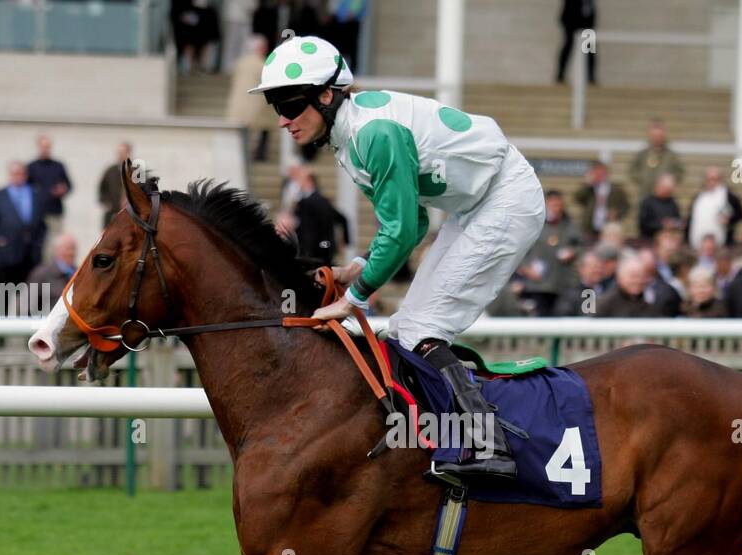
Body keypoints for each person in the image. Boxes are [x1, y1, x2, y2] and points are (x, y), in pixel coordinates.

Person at [249, 35, 546, 481]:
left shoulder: (374, 134)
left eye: (290, 106)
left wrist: (357, 296)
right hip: (476, 204)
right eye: (277, 107)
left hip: (505, 198)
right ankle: (433, 437)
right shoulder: (349, 137)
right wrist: (363, 265)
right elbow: (414, 224)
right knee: (406, 330)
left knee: (423, 327)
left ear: (327, 96)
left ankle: (491, 445)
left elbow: (406, 230)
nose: (283, 121)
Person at [0, 161, 47, 292]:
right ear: (9, 175)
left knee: (29, 300)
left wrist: (39, 242)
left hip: (30, 256)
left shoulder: (36, 194)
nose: (18, 176)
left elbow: (42, 223)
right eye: (15, 173)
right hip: (6, 256)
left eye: (21, 173)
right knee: (1, 303)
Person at [520, 189, 583, 316]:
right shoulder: (534, 225)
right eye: (553, 205)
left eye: (559, 205)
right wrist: (526, 268)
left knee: (561, 318)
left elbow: (582, 247)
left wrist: (573, 252)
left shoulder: (570, 226)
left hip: (563, 282)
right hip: (539, 284)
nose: (557, 209)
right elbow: (520, 250)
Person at [226, 35, 271, 162]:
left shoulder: (240, 62)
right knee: (261, 129)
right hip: (257, 104)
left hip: (238, 103)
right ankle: (258, 155)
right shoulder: (263, 64)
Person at [292, 168, 351, 266]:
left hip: (314, 250)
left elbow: (310, 230)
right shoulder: (321, 200)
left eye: (300, 179)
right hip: (325, 247)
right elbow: (342, 219)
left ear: (309, 181)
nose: (298, 183)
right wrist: (345, 240)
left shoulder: (310, 201)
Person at [686, 166, 742, 249]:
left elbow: (741, 214)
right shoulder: (699, 196)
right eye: (708, 179)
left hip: (721, 244)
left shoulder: (728, 196)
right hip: (698, 244)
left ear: (720, 179)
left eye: (714, 179)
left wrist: (729, 220)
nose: (711, 182)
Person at [27, 135, 72, 241]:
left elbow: (69, 185)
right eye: (43, 146)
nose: (45, 149)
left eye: (47, 147)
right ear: (38, 147)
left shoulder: (58, 166)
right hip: (37, 213)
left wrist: (63, 189)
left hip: (54, 212)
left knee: (56, 241)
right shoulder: (31, 167)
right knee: (37, 242)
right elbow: (26, 189)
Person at [573, 161, 630, 242]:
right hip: (590, 228)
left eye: (601, 172)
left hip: (608, 228)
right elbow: (577, 198)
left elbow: (625, 207)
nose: (599, 175)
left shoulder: (616, 190)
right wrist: (588, 185)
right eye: (596, 172)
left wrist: (617, 214)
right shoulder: (589, 188)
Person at [629, 119, 684, 199]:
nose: (657, 139)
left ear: (663, 136)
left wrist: (670, 180)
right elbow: (632, 171)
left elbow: (680, 172)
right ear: (650, 136)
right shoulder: (642, 154)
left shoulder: (671, 156)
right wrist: (643, 178)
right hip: (645, 196)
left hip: (665, 198)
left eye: (659, 136)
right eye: (654, 136)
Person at [27, 233, 78, 311]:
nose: (71, 252)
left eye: (73, 249)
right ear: (56, 250)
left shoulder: (80, 274)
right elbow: (25, 305)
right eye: (68, 248)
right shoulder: (41, 274)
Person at [556, 0, 597, 85]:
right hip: (571, 21)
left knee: (590, 50)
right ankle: (560, 76)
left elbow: (590, 9)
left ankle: (591, 77)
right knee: (568, 46)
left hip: (587, 23)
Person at [98, 143, 133, 227]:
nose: (120, 155)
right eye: (119, 153)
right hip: (112, 213)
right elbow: (102, 188)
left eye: (122, 153)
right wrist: (106, 202)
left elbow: (145, 190)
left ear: (129, 153)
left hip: (131, 215)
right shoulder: (110, 171)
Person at [637, 173, 680, 241]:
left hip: (667, 241)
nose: (668, 193)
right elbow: (644, 223)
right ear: (659, 186)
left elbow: (678, 219)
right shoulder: (647, 202)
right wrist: (662, 225)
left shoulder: (672, 203)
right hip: (649, 240)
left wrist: (675, 223)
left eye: (670, 190)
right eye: (666, 189)